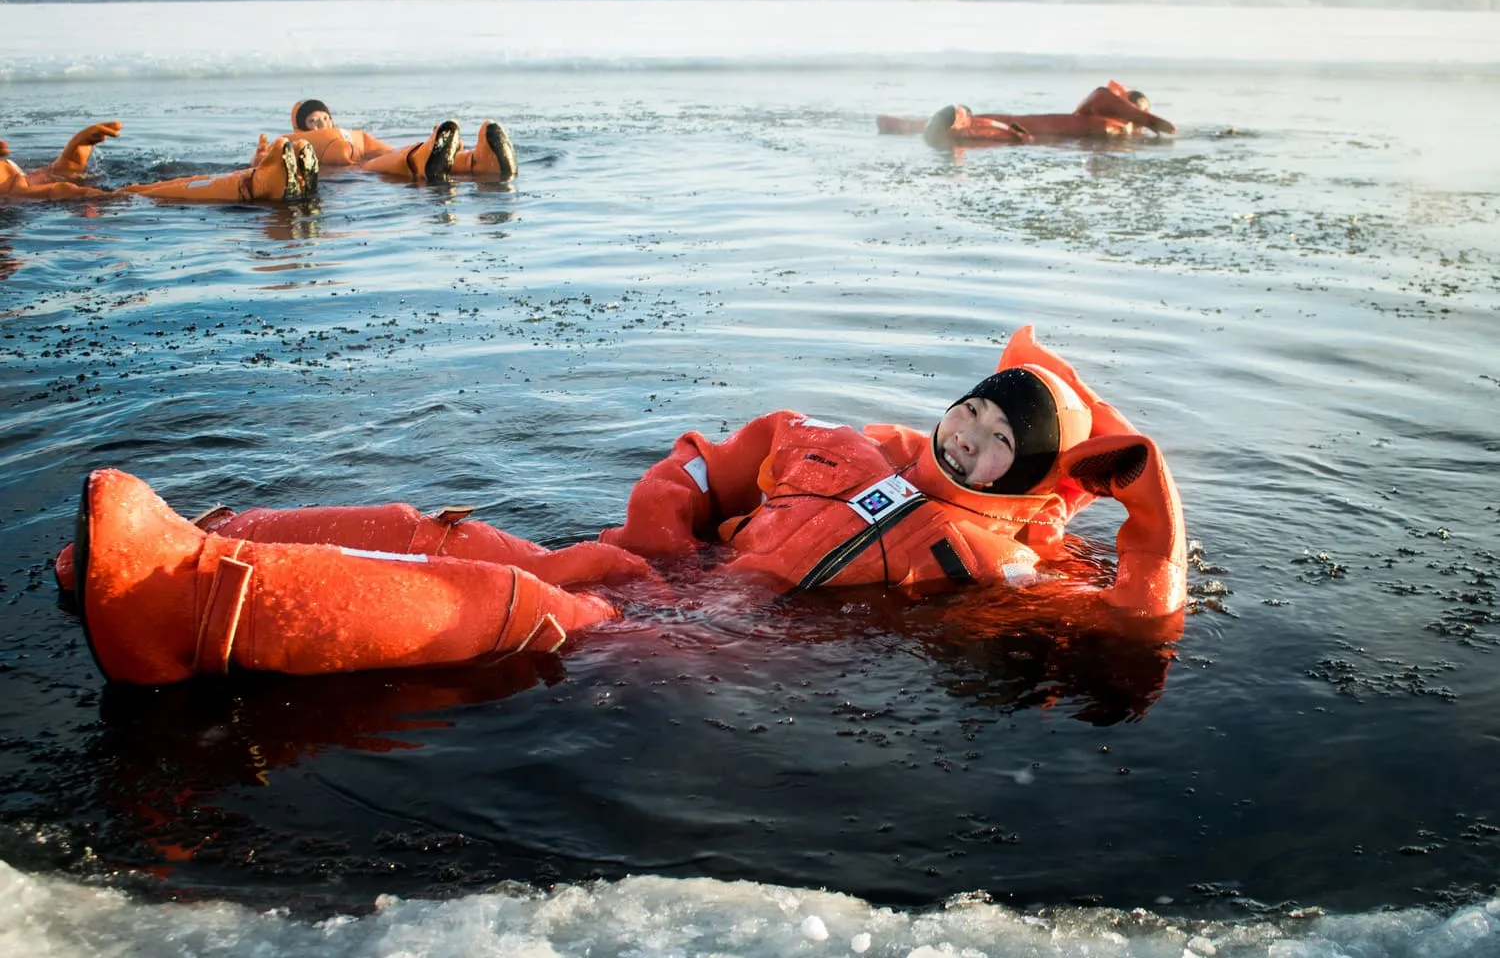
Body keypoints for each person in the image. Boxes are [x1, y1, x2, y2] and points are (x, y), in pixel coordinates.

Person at [59, 326, 1186, 685]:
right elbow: (702, 463)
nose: (966, 442)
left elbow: (1141, 618)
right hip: (674, 579)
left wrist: (1152, 509)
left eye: (994, 449)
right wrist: (657, 532)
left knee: (520, 605)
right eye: (970, 415)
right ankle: (182, 549)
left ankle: (182, 613)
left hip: (729, 645)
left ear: (1032, 480)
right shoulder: (839, 441)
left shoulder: (1005, 557)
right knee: (438, 533)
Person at [3, 123, 320, 203]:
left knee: (142, 191)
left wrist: (77, 147)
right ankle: (258, 183)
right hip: (69, 205)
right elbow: (27, 194)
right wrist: (71, 192)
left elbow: (47, 177)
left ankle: (255, 177)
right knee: (141, 194)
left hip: (74, 199)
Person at [254, 99, 518, 182]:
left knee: (394, 157)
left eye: (324, 117)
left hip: (366, 167)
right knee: (387, 165)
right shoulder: (296, 146)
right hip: (353, 177)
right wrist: (261, 158)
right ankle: (428, 157)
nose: (321, 123)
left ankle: (475, 161)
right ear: (302, 128)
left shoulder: (354, 137)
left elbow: (386, 150)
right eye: (313, 121)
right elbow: (267, 166)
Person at [877, 81, 1177, 147]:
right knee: (977, 122)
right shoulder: (1104, 113)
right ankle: (911, 125)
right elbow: (1102, 94)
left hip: (1022, 133)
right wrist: (1148, 120)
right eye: (1135, 108)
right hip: (1020, 126)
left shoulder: (1116, 130)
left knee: (981, 126)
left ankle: (945, 124)